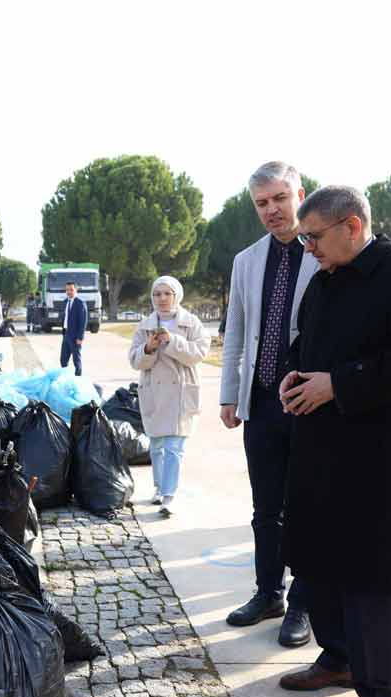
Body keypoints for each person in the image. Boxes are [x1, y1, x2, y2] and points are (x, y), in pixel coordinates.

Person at [276, 186, 391, 697]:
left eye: (314, 237)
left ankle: (385, 695)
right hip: (322, 448)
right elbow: (308, 344)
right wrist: (297, 373)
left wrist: (339, 385)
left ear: (351, 226)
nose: (308, 249)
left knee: (370, 575)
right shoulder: (324, 280)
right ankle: (338, 657)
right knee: (320, 559)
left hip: (378, 457)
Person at [219, 161, 320, 647]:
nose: (272, 210)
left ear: (300, 194)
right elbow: (235, 330)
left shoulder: (324, 252)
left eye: (280, 198)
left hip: (308, 402)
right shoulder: (247, 260)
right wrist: (228, 396)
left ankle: (302, 601)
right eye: (262, 203)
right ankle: (268, 592)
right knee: (266, 508)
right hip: (259, 401)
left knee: (305, 505)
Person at [127, 275, 210, 517]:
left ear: (176, 295)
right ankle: (159, 487)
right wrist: (149, 348)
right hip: (154, 391)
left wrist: (172, 341)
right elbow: (135, 360)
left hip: (181, 392)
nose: (162, 298)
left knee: (174, 446)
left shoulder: (191, 323)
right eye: (157, 294)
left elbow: (199, 353)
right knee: (157, 445)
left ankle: (169, 496)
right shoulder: (144, 325)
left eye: (167, 293)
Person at [60, 281, 88, 376]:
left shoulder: (80, 303)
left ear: (76, 290)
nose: (69, 292)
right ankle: (66, 379)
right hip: (66, 335)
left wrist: (80, 337)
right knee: (63, 360)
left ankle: (78, 380)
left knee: (76, 361)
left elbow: (83, 322)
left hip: (75, 337)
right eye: (67, 290)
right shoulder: (65, 302)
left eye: (71, 290)